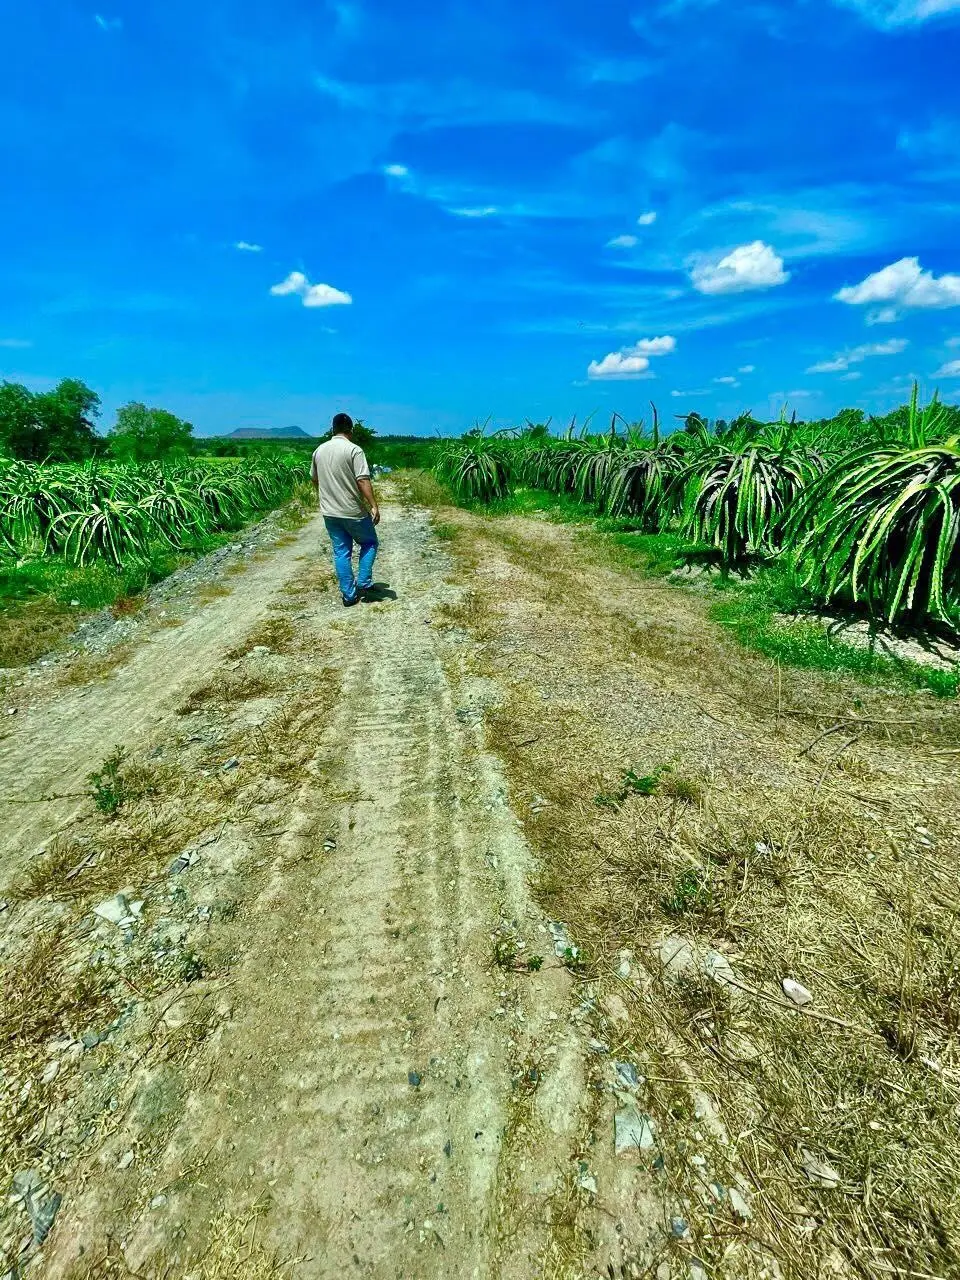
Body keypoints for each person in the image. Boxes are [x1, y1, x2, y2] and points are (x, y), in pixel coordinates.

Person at [310, 412, 381, 606]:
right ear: (351, 430)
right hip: (352, 511)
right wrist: (374, 505)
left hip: (329, 512)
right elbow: (363, 479)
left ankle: (349, 596)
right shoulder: (354, 450)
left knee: (341, 552)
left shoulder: (319, 451)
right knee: (370, 542)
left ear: (333, 429)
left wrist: (326, 495)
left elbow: (315, 479)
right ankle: (364, 582)